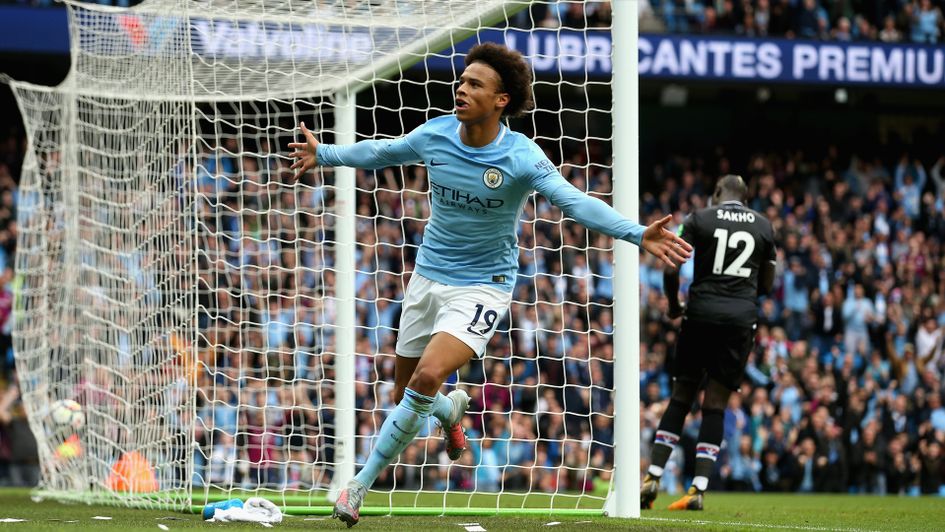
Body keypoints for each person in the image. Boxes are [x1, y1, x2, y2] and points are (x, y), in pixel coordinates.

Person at [288, 42, 692, 527]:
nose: (461, 89)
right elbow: (381, 151)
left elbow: (574, 202)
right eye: (462, 81)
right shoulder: (436, 135)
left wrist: (635, 232)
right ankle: (450, 413)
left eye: (475, 84)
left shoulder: (521, 156)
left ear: (501, 100)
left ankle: (358, 486)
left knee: (424, 378)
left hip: (484, 285)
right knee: (406, 396)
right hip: (427, 277)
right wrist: (325, 152)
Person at [641, 174, 776, 511]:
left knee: (682, 396)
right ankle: (698, 489)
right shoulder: (763, 226)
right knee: (715, 404)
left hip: (700, 315)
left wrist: (674, 305)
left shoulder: (699, 218)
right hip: (740, 321)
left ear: (717, 193)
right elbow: (767, 285)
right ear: (744, 198)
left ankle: (653, 478)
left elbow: (672, 267)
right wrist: (740, 300)